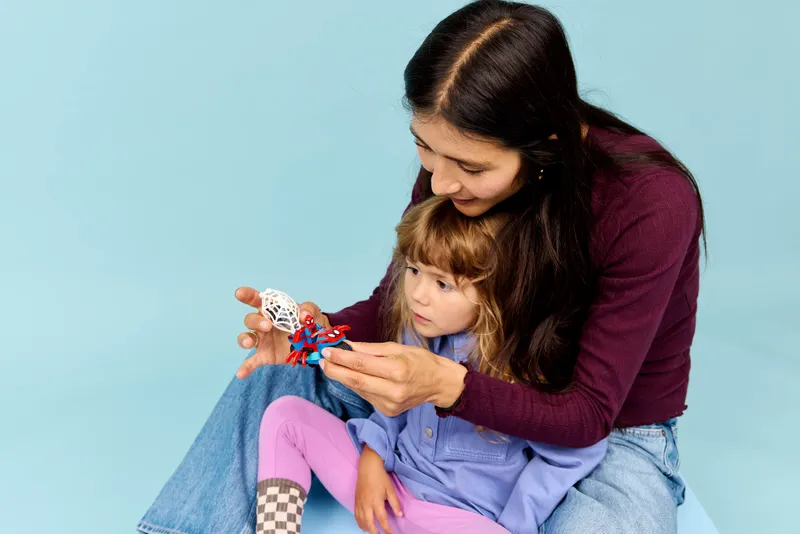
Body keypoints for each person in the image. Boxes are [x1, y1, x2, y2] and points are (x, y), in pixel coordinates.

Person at [138, 2, 702, 533]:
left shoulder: (649, 204)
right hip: (440, 392)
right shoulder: (450, 177)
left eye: (469, 167)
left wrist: (448, 388)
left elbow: (587, 415)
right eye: (425, 148)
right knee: (278, 376)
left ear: (545, 146)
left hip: (594, 433)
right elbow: (396, 311)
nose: (439, 182)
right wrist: (315, 331)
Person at [254, 196, 608, 534]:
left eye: (443, 284)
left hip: (462, 520)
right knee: (286, 417)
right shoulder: (417, 332)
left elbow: (575, 451)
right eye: (413, 270)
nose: (417, 294)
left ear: (494, 291)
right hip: (389, 495)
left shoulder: (523, 367)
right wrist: (373, 460)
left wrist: (516, 524)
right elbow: (391, 407)